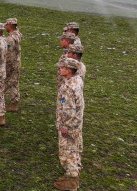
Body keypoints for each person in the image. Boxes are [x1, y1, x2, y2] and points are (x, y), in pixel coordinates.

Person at [54, 58, 85, 190]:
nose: (60, 69)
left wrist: (64, 126)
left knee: (68, 151)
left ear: (68, 70)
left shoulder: (68, 87)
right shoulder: (77, 80)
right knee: (75, 148)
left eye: (62, 67)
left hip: (69, 124)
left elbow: (68, 109)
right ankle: (75, 169)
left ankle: (72, 181)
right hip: (77, 123)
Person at [4, 17, 23, 112]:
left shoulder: (11, 38)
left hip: (11, 64)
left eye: (6, 25)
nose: (5, 26)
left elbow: (9, 54)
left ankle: (13, 103)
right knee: (14, 82)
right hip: (16, 63)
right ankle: (14, 103)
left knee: (9, 83)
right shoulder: (17, 34)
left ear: (10, 26)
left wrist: (7, 68)